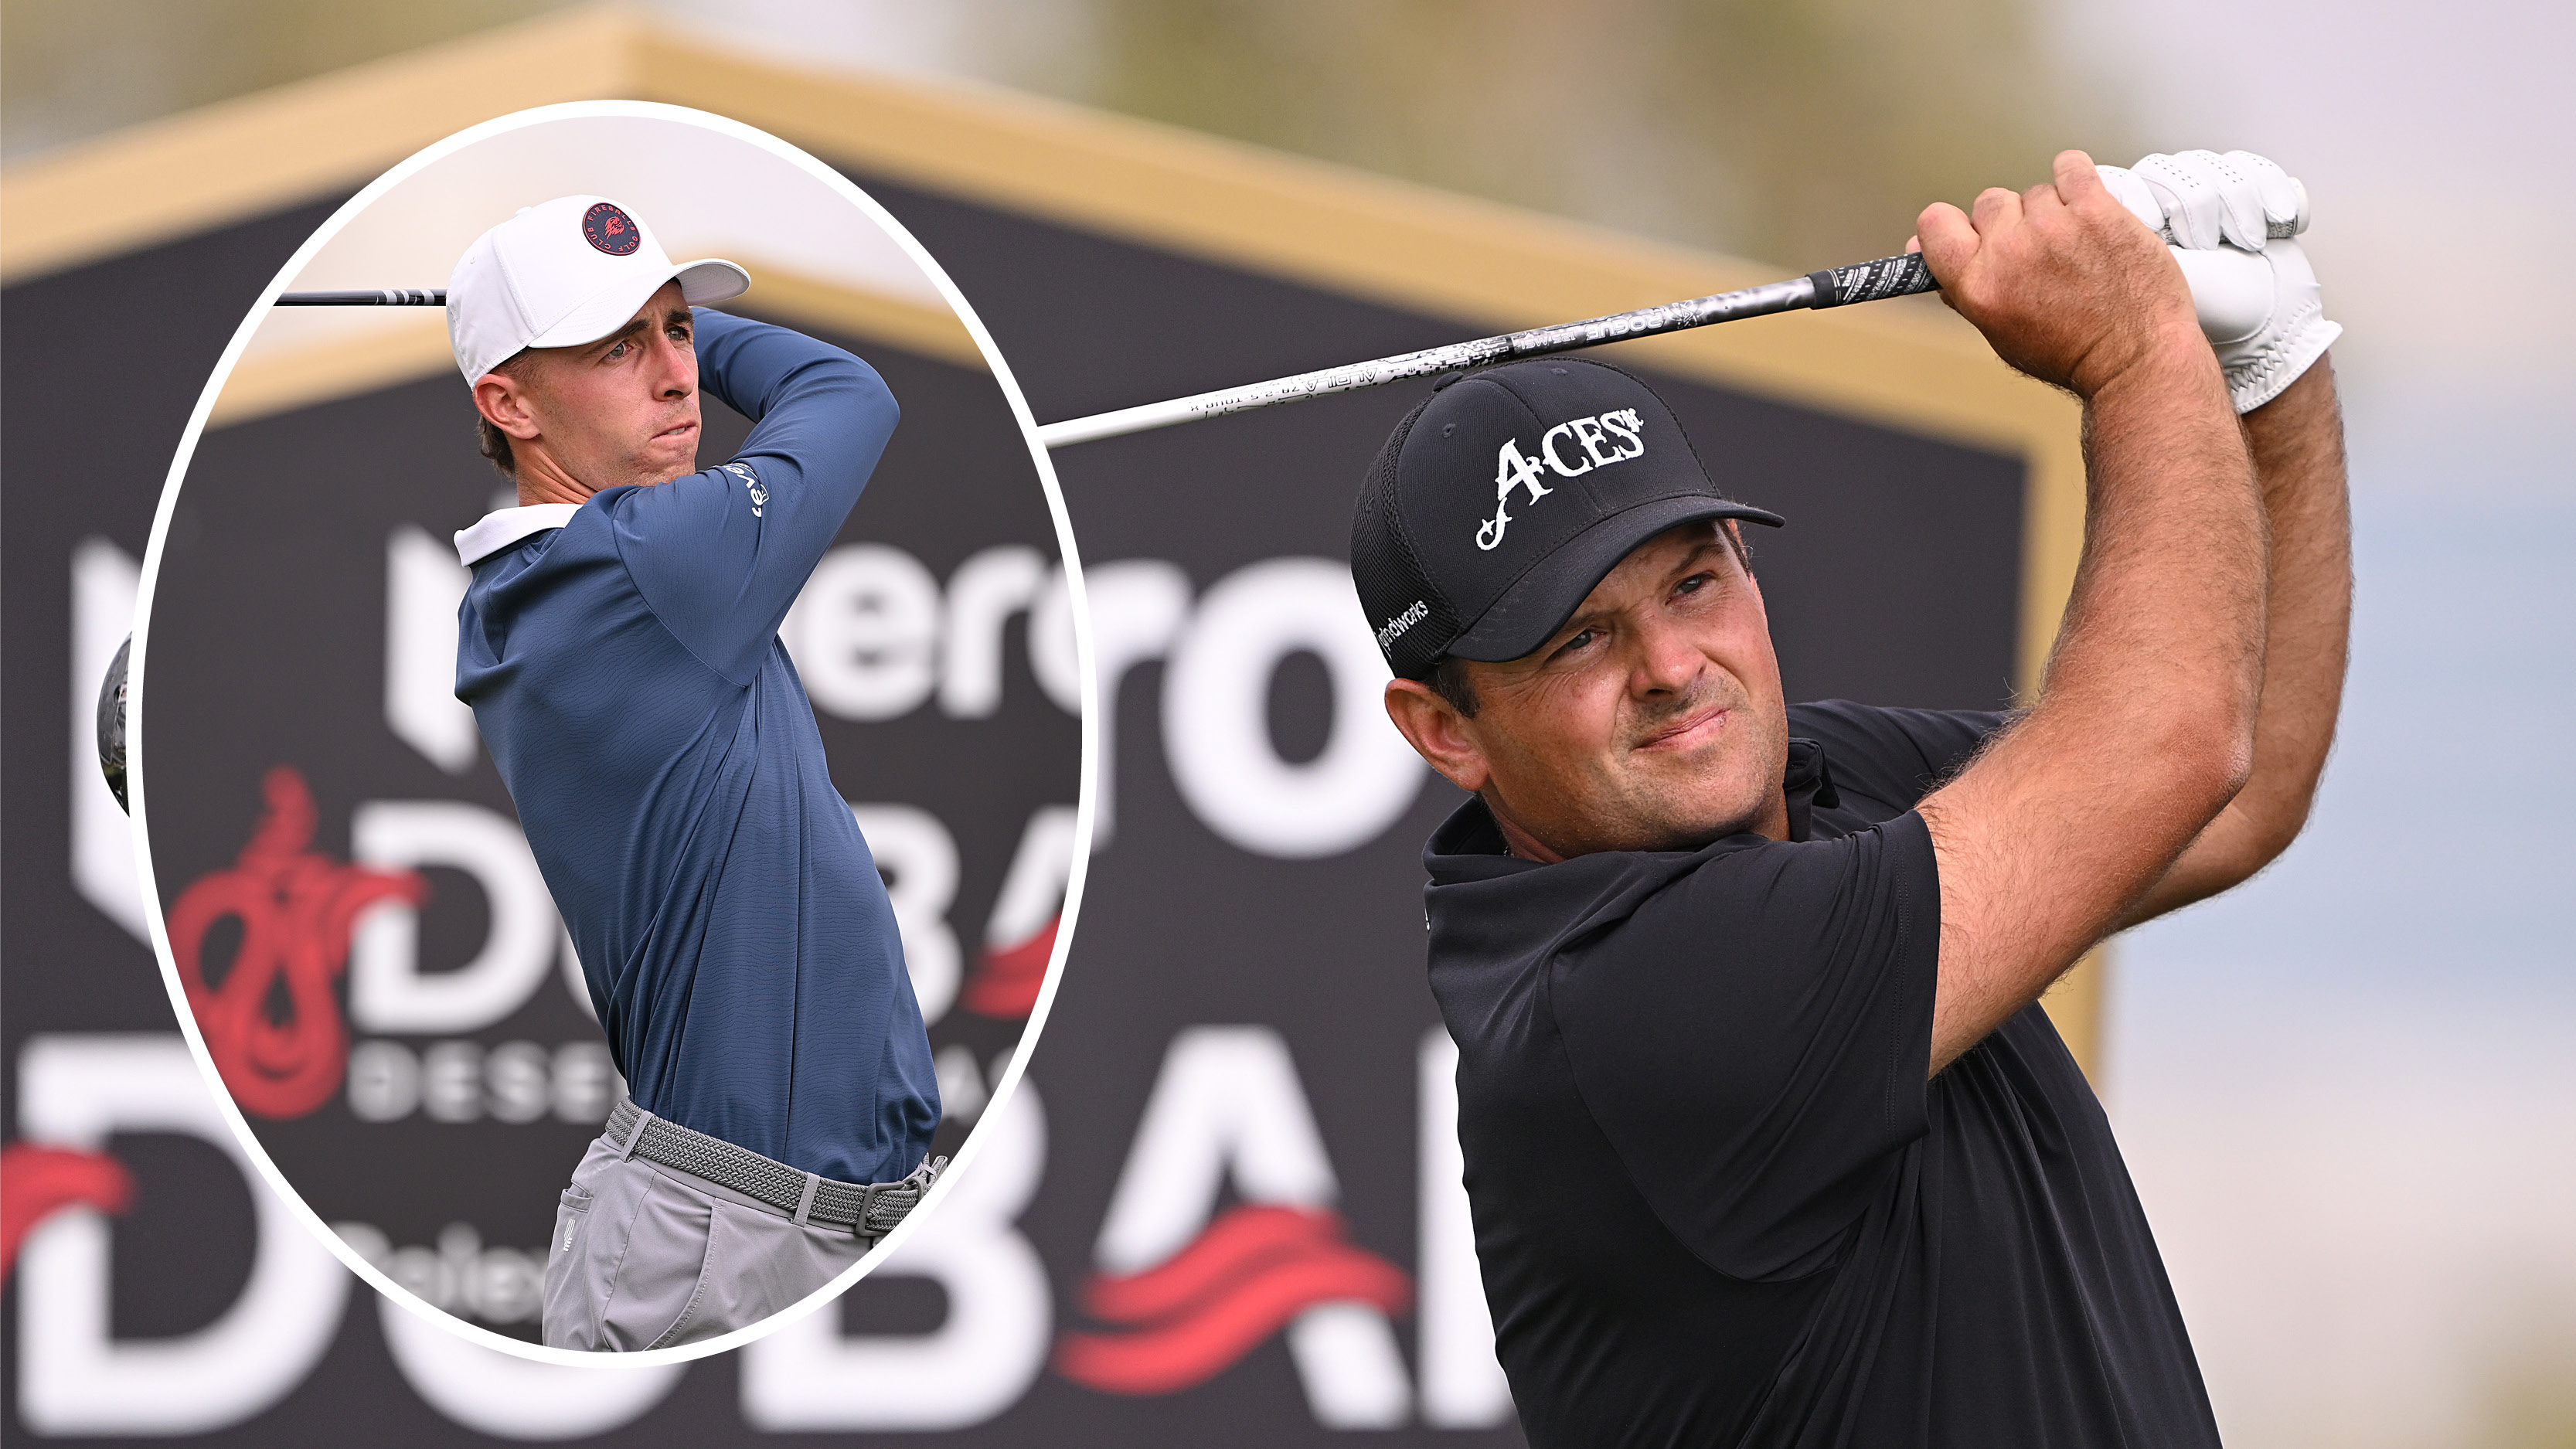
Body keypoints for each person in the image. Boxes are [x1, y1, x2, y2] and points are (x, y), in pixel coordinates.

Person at [1353, 149, 2346, 1445]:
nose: (1670, 669)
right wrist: (2135, 353)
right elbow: (2169, 743)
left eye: (1693, 582)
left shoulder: (1818, 788)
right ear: (1444, 731)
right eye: (1576, 642)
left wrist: (2269, 372)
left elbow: (2236, 787)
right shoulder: (1624, 1009)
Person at [445, 196, 941, 1352]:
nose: (673, 377)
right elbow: (846, 393)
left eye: (678, 333)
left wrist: (633, 326)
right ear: (508, 403)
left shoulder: (577, 575)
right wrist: (700, 339)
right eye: (615, 348)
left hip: (780, 1235)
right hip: (717, 1246)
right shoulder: (640, 564)